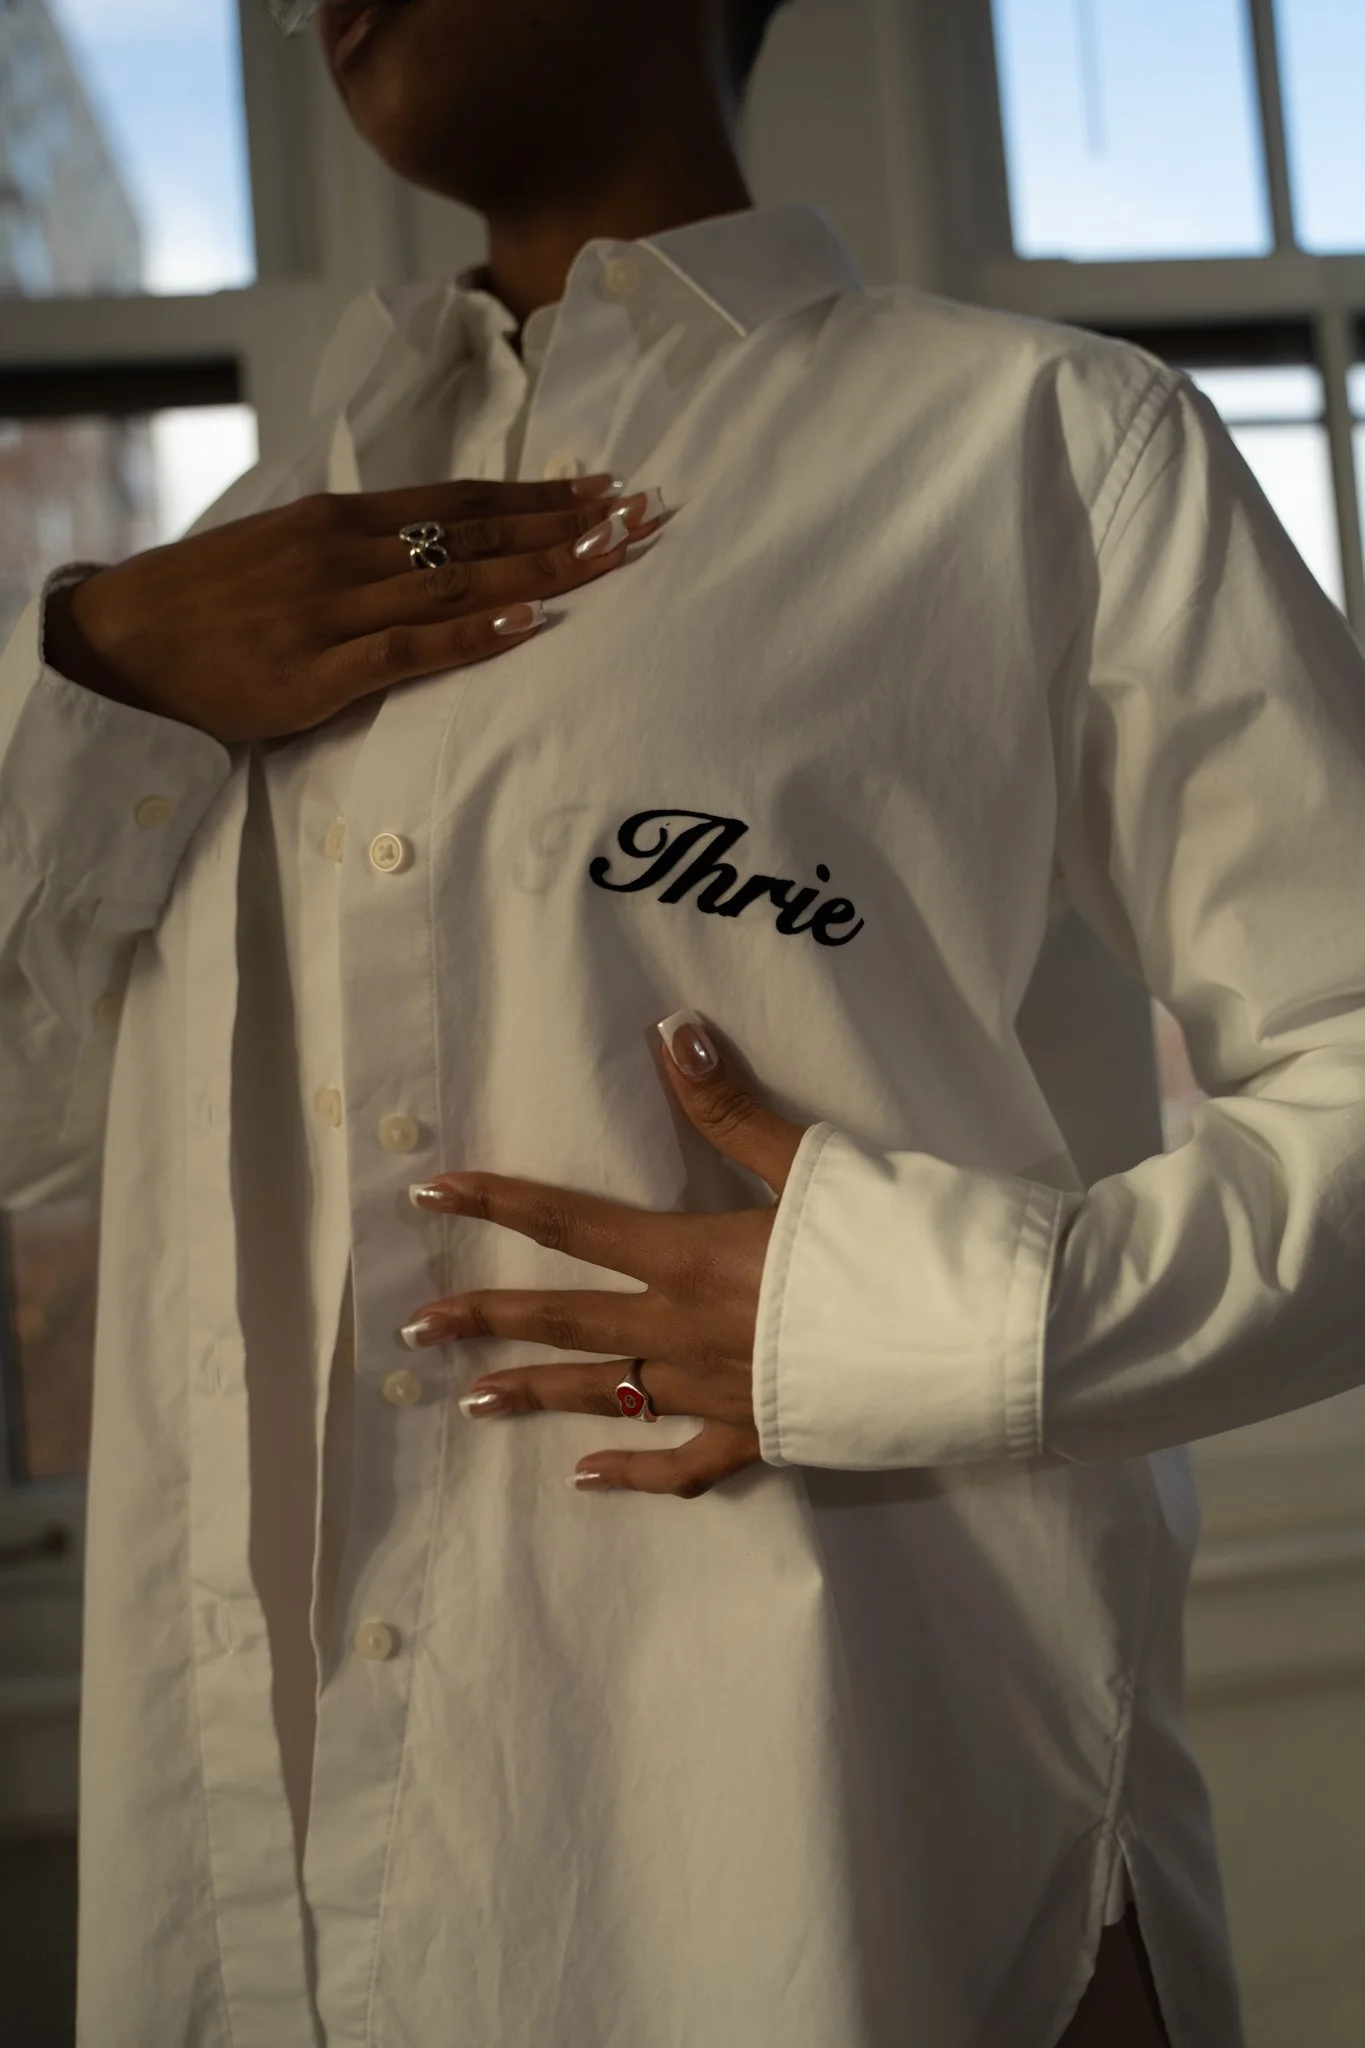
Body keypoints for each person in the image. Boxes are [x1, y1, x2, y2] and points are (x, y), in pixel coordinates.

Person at [8, 0, 1365, 2039]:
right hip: (272, 1912)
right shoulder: (220, 572)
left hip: (871, 1866)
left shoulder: (1038, 450)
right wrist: (102, 677)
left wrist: (914, 1317)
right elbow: (37, 1131)